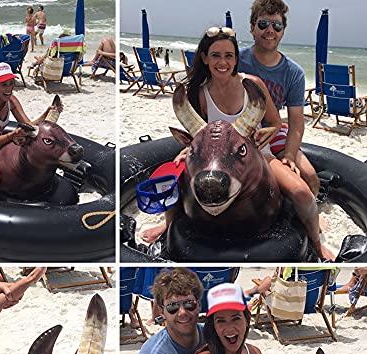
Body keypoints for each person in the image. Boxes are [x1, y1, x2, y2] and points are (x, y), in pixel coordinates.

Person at [141, 26, 332, 260]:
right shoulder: (199, 93)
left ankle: (315, 240)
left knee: (301, 192)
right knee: (175, 176)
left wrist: (274, 150)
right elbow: (200, 134)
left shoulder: (252, 85)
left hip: (255, 153)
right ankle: (168, 225)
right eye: (216, 55)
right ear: (205, 58)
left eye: (229, 56)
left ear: (236, 59)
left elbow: (274, 122)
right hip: (211, 159)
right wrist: (190, 150)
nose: (223, 62)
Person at [238, 0, 320, 198]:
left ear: (283, 31)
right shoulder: (236, 60)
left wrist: (290, 156)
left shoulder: (293, 73)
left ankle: (310, 216)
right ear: (252, 28)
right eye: (263, 24)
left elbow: (296, 123)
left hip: (273, 129)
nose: (270, 30)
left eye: (277, 25)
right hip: (238, 127)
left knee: (310, 177)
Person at [0, 62, 62, 197]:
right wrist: (13, 135)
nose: (9, 88)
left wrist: (48, 112)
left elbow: (30, 125)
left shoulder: (12, 101)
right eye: (3, 85)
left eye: (11, 83)